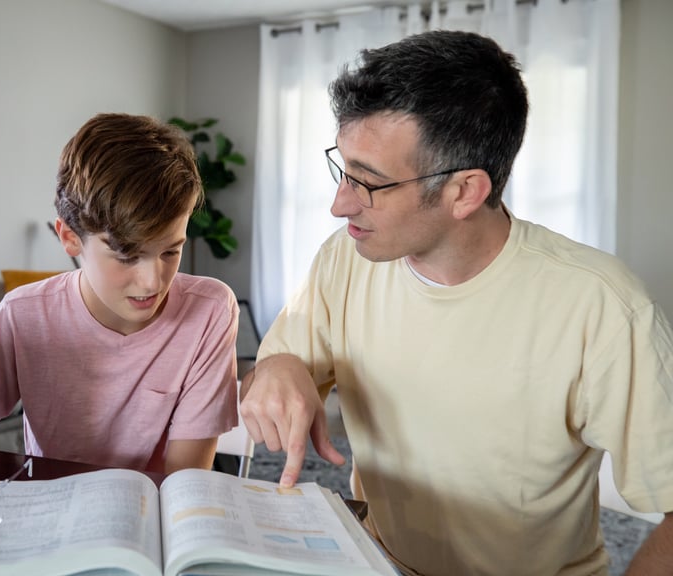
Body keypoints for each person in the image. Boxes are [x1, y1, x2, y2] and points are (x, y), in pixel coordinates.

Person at [239, 30, 673, 575]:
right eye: (342, 169)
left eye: (367, 183)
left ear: (465, 191)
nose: (338, 204)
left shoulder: (604, 307)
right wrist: (276, 365)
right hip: (375, 561)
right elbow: (267, 378)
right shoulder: (344, 259)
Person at [0, 113, 239, 474]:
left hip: (153, 516)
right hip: (50, 512)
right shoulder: (23, 315)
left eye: (170, 251)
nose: (153, 282)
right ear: (69, 238)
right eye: (127, 256)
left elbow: (184, 483)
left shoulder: (209, 311)